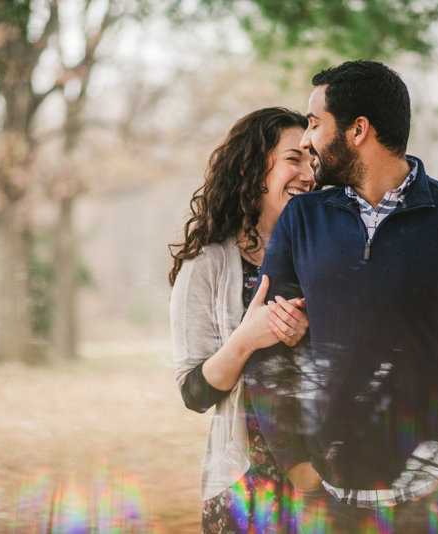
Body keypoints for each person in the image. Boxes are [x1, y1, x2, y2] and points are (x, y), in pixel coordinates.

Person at [244, 61, 438, 533]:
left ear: (358, 129)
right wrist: (296, 464)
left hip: (435, 504)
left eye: (316, 124)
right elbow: (266, 345)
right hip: (328, 503)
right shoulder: (301, 220)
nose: (305, 140)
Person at [170, 107, 316, 534]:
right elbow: (193, 393)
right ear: (250, 168)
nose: (308, 174)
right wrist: (246, 339)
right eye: (294, 159)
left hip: (325, 478)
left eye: (312, 160)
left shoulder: (322, 254)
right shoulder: (208, 265)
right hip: (247, 483)